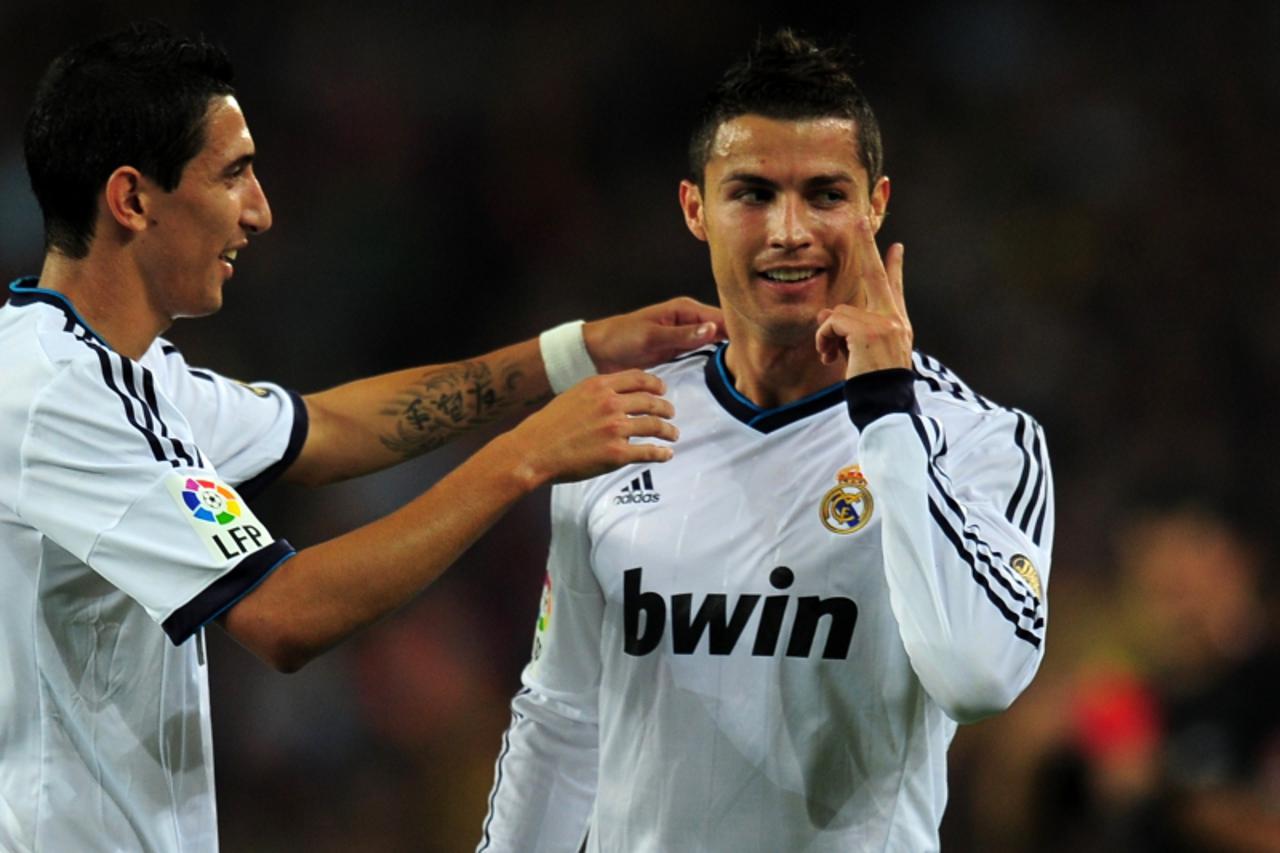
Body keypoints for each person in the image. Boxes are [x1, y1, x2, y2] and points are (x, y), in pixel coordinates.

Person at [0, 22, 724, 853]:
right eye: (233, 174)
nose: (259, 210)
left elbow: (331, 428)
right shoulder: (56, 397)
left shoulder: (129, 376)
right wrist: (525, 456)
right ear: (132, 199)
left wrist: (578, 350)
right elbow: (284, 614)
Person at [478, 28, 1054, 851]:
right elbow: (563, 717)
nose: (789, 230)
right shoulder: (618, 423)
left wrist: (888, 412)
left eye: (825, 194)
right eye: (752, 193)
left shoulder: (979, 440)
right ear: (695, 209)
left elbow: (976, 678)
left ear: (876, 205)